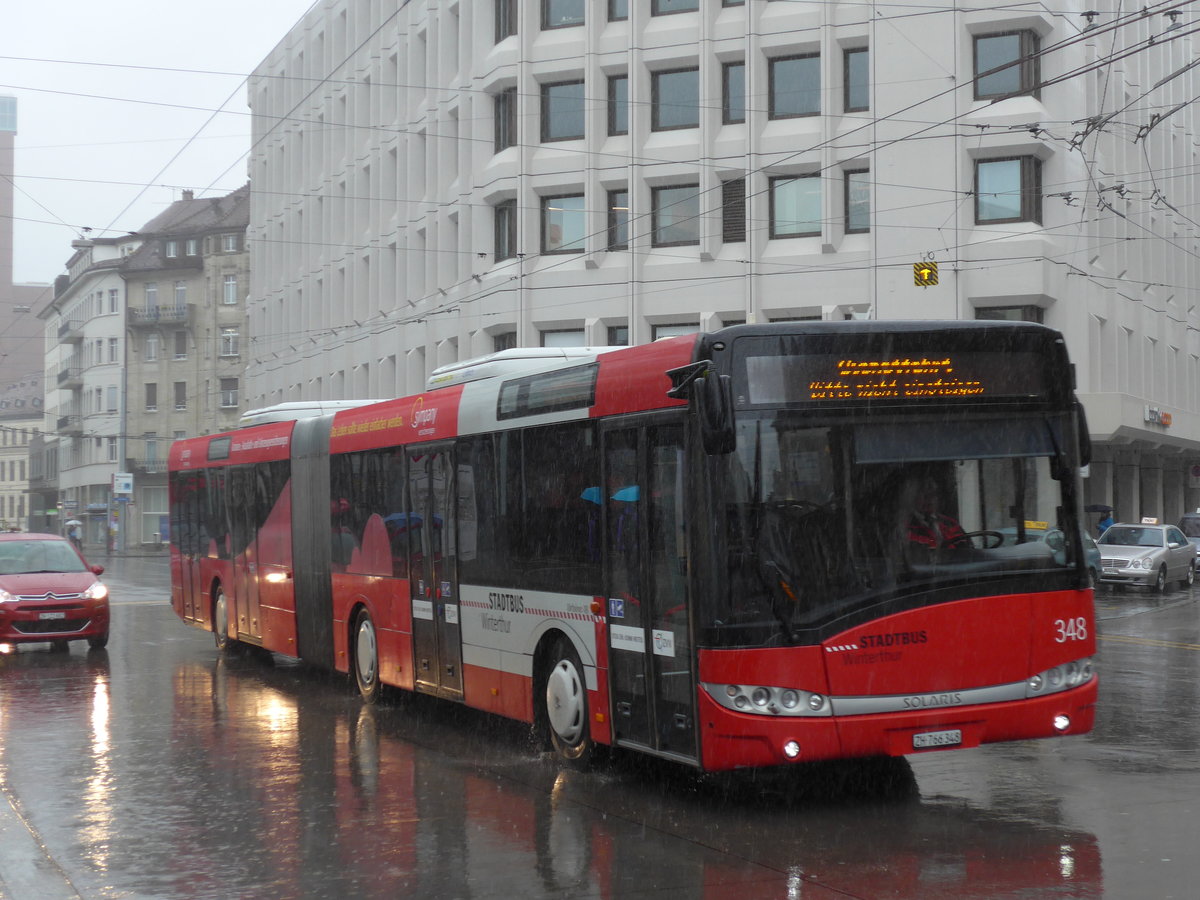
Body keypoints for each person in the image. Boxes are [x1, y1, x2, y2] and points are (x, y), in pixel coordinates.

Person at [907, 477, 965, 549]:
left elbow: (969, 551)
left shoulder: (951, 524)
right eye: (925, 495)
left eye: (933, 494)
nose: (929, 499)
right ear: (913, 497)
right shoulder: (905, 526)